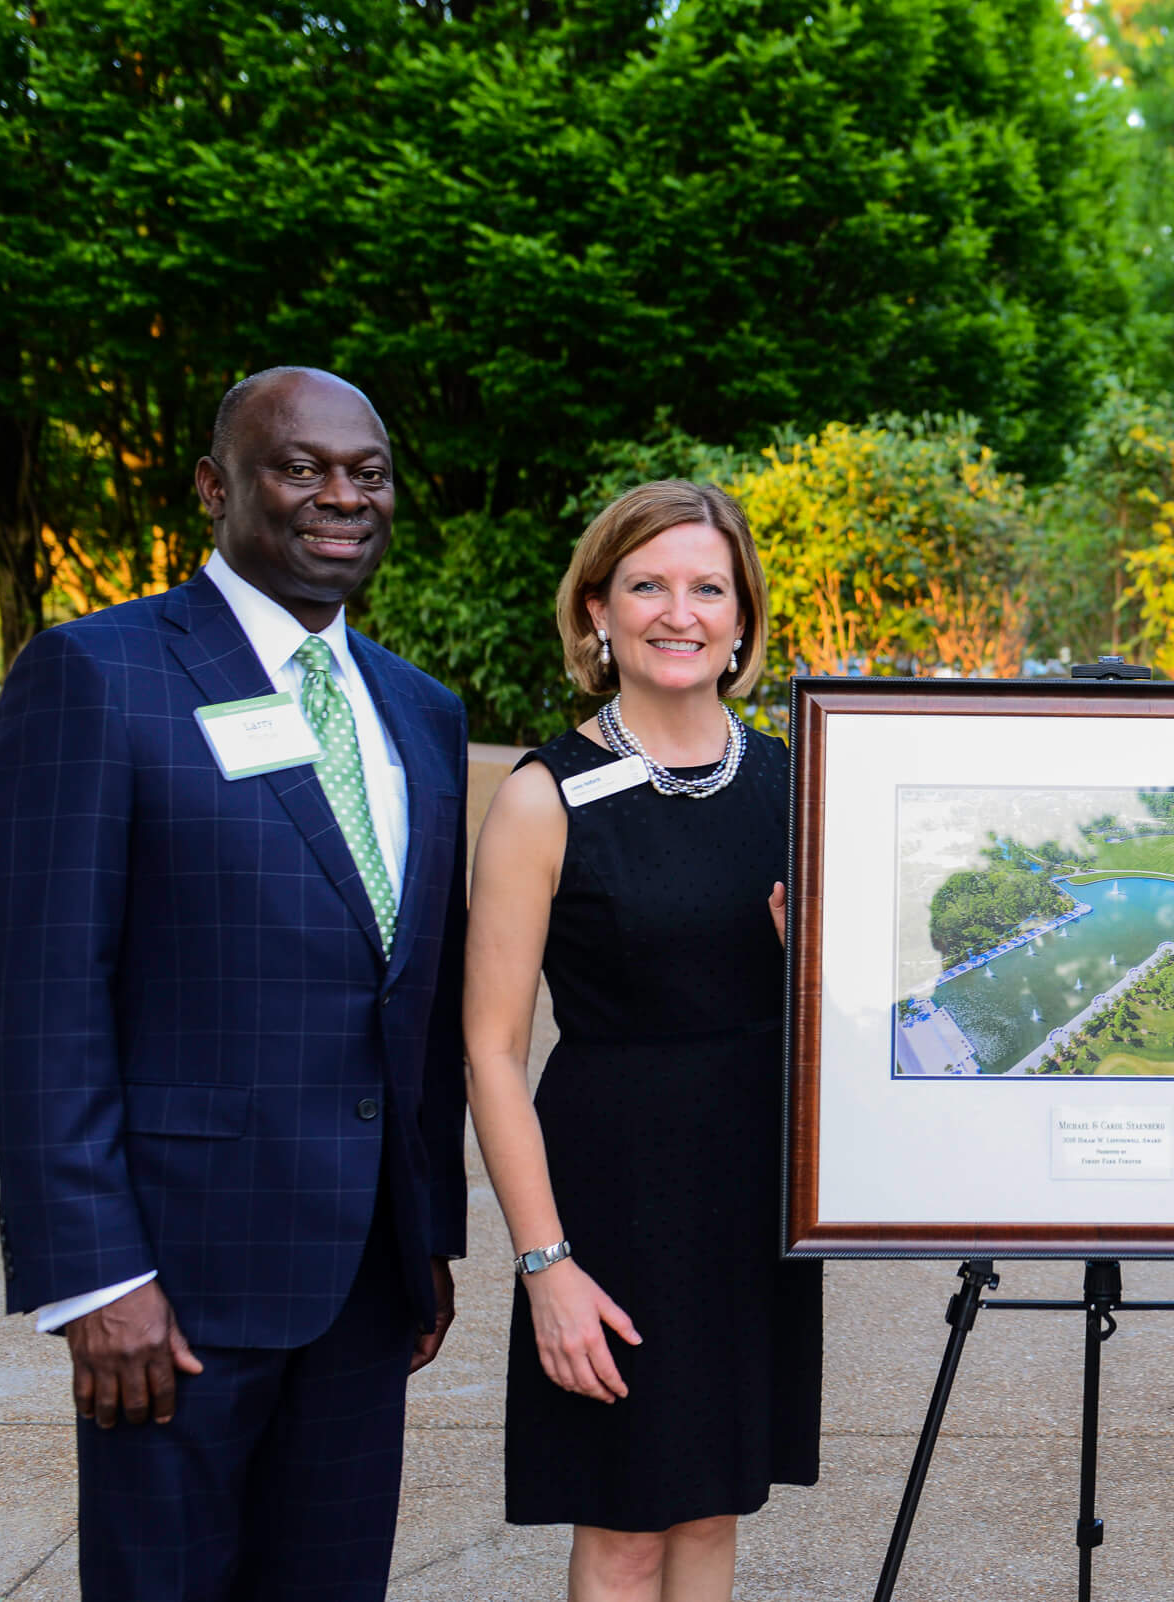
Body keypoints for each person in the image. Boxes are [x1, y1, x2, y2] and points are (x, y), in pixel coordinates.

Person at [0, 367, 471, 1600]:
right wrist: (94, 1274)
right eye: (300, 467)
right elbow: (40, 997)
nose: (340, 498)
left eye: (367, 472)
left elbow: (419, 993)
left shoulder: (420, 710)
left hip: (364, 1284)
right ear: (216, 485)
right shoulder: (99, 673)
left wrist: (427, 1240)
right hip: (173, 1288)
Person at [464, 479, 822, 1602]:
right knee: (624, 1525)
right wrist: (545, 1264)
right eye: (648, 585)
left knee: (713, 1508)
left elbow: (867, 1023)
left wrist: (812, 968)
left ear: (743, 619)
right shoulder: (543, 797)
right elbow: (489, 1050)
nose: (681, 612)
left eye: (708, 587)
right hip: (615, 1193)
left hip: (752, 1188)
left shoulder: (797, 782)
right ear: (596, 615)